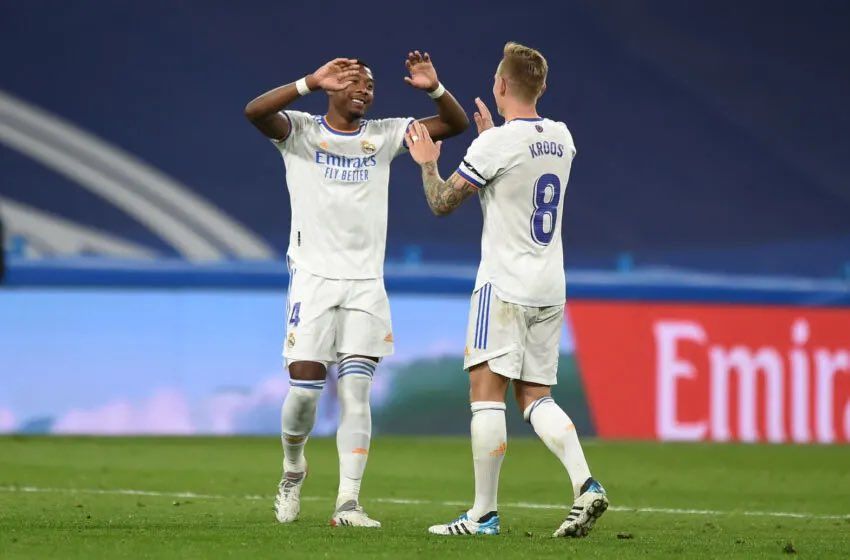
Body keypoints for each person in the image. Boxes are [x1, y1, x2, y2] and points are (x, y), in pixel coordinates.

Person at [244, 53, 468, 527]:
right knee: (304, 393)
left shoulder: (386, 135)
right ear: (331, 89)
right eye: (352, 83)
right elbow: (255, 112)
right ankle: (292, 469)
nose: (364, 90)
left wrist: (433, 88)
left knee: (356, 394)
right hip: (313, 278)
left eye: (369, 84)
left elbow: (454, 123)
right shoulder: (301, 132)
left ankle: (348, 503)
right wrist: (306, 81)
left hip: (366, 283)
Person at [405, 42, 608, 538]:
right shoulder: (563, 137)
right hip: (549, 285)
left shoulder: (493, 146)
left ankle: (483, 514)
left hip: (503, 284)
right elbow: (525, 166)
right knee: (536, 396)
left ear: (499, 86)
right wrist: (493, 142)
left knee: (486, 392)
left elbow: (441, 203)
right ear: (540, 88)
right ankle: (586, 485)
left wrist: (427, 162)